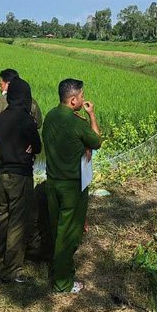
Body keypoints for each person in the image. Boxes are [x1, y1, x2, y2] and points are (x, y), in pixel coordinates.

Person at [42, 78, 102, 294]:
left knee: (58, 229)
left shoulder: (50, 116)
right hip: (72, 188)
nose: (84, 99)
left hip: (52, 184)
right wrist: (92, 115)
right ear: (74, 99)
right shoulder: (77, 122)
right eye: (82, 96)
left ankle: (58, 269)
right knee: (69, 235)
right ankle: (63, 282)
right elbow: (96, 141)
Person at [0, 77, 42, 283]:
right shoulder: (26, 119)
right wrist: (28, 146)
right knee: (18, 222)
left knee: (1, 216)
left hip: (3, 174)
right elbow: (36, 147)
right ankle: (11, 270)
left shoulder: (1, 118)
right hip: (21, 175)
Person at [0, 69, 42, 216]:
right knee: (22, 194)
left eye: (1, 84)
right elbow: (38, 125)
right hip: (24, 157)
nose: (0, 87)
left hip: (1, 153)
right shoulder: (32, 103)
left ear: (8, 84)